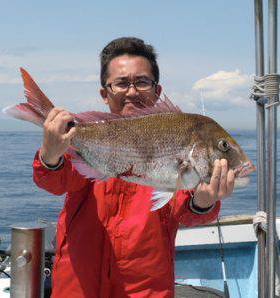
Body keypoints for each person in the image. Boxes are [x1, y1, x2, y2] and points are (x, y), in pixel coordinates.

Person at [32, 37, 236, 298]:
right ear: (105, 94)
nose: (131, 92)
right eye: (121, 83)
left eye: (141, 82)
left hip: (145, 290)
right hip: (77, 287)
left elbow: (186, 213)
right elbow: (56, 182)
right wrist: (49, 156)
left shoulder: (182, 139)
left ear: (157, 91)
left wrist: (204, 201)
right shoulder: (87, 137)